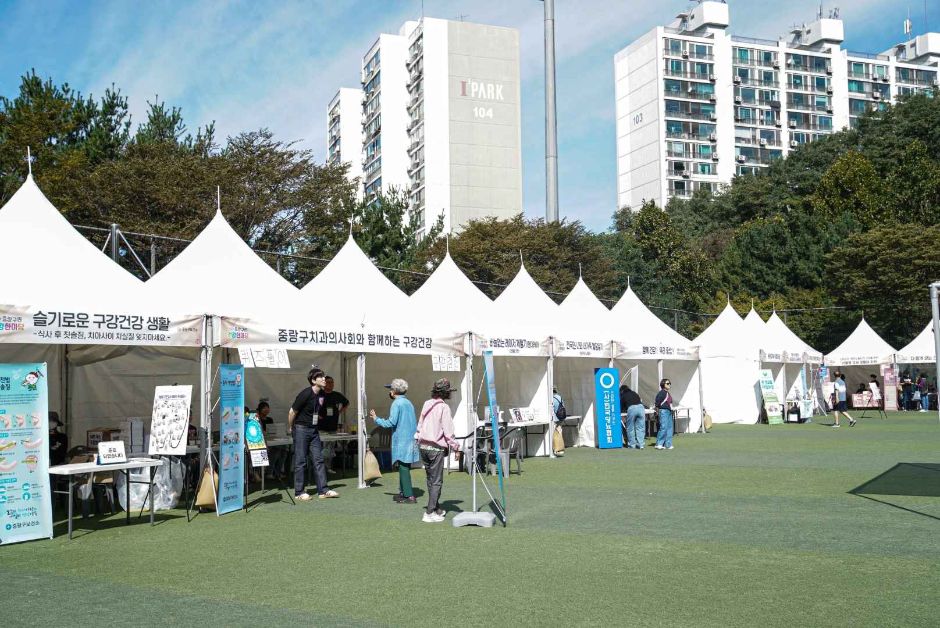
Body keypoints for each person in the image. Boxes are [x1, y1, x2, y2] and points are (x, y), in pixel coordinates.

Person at [288, 368, 339, 501]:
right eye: (320, 377)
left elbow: (316, 409)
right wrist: (291, 427)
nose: (324, 379)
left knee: (318, 459)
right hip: (301, 429)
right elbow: (292, 411)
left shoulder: (322, 394)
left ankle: (323, 490)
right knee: (301, 461)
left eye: (324, 376)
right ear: (313, 380)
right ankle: (299, 492)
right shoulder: (305, 393)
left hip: (313, 430)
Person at [415, 378, 461, 523]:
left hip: (423, 446)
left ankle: (436, 508)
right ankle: (429, 513)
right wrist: (456, 448)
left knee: (430, 479)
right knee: (436, 481)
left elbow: (420, 424)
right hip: (435, 448)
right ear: (445, 392)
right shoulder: (444, 408)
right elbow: (448, 431)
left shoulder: (427, 403)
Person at [369, 378, 419, 504]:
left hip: (402, 439)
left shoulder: (397, 403)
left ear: (394, 391)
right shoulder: (408, 402)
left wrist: (376, 419)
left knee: (403, 467)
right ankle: (404, 492)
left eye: (391, 389)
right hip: (410, 438)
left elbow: (391, 422)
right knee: (404, 466)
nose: (390, 391)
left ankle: (409, 495)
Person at [620, 384, 646, 449]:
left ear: (621, 391)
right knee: (640, 427)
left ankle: (632, 445)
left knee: (630, 428)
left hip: (632, 408)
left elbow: (622, 407)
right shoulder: (634, 393)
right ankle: (641, 444)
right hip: (641, 407)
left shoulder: (623, 395)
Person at [653, 379, 674, 450]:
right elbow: (657, 403)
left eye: (670, 383)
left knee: (669, 428)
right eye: (667, 383)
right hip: (664, 411)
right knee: (664, 427)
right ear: (663, 384)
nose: (669, 385)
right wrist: (658, 410)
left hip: (669, 411)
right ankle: (659, 444)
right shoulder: (661, 393)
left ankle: (668, 444)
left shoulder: (667, 393)